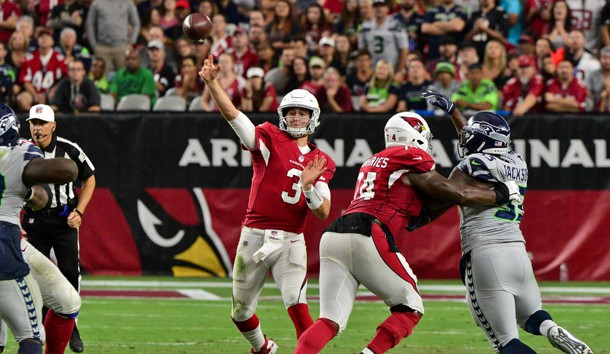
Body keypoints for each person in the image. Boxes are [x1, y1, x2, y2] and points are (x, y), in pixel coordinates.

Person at [294, 111, 521, 354]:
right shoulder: (411, 155)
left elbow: (421, 210)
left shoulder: (375, 160)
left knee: (329, 319)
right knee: (410, 306)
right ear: (414, 134)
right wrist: (502, 193)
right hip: (368, 231)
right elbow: (454, 193)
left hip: (334, 235)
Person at [422, 89, 593, 354]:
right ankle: (551, 329)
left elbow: (455, 194)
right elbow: (476, 147)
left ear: (481, 139)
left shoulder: (469, 165)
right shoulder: (517, 161)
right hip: (517, 252)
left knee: (505, 342)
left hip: (485, 253)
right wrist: (454, 111)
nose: (464, 138)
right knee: (532, 315)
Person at [199, 55, 336, 354]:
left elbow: (323, 211)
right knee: (240, 312)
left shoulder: (321, 160)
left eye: (302, 113)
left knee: (297, 305)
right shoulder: (270, 137)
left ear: (313, 117)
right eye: (292, 112)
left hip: (291, 240)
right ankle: (262, 348)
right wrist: (212, 83)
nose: (297, 118)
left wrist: (309, 187)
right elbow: (234, 117)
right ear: (282, 115)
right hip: (255, 235)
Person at [0, 103, 78, 354]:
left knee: (67, 300)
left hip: (13, 238)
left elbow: (41, 195)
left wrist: (30, 193)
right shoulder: (21, 152)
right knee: (31, 334)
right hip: (5, 240)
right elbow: (67, 170)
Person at [23, 104, 96, 353]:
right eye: (33, 123)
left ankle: (70, 323)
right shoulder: (22, 151)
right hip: (34, 220)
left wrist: (80, 211)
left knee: (69, 272)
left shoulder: (68, 149)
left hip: (64, 219)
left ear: (53, 126)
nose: (37, 128)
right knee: (35, 276)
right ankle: (41, 326)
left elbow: (90, 178)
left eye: (42, 123)